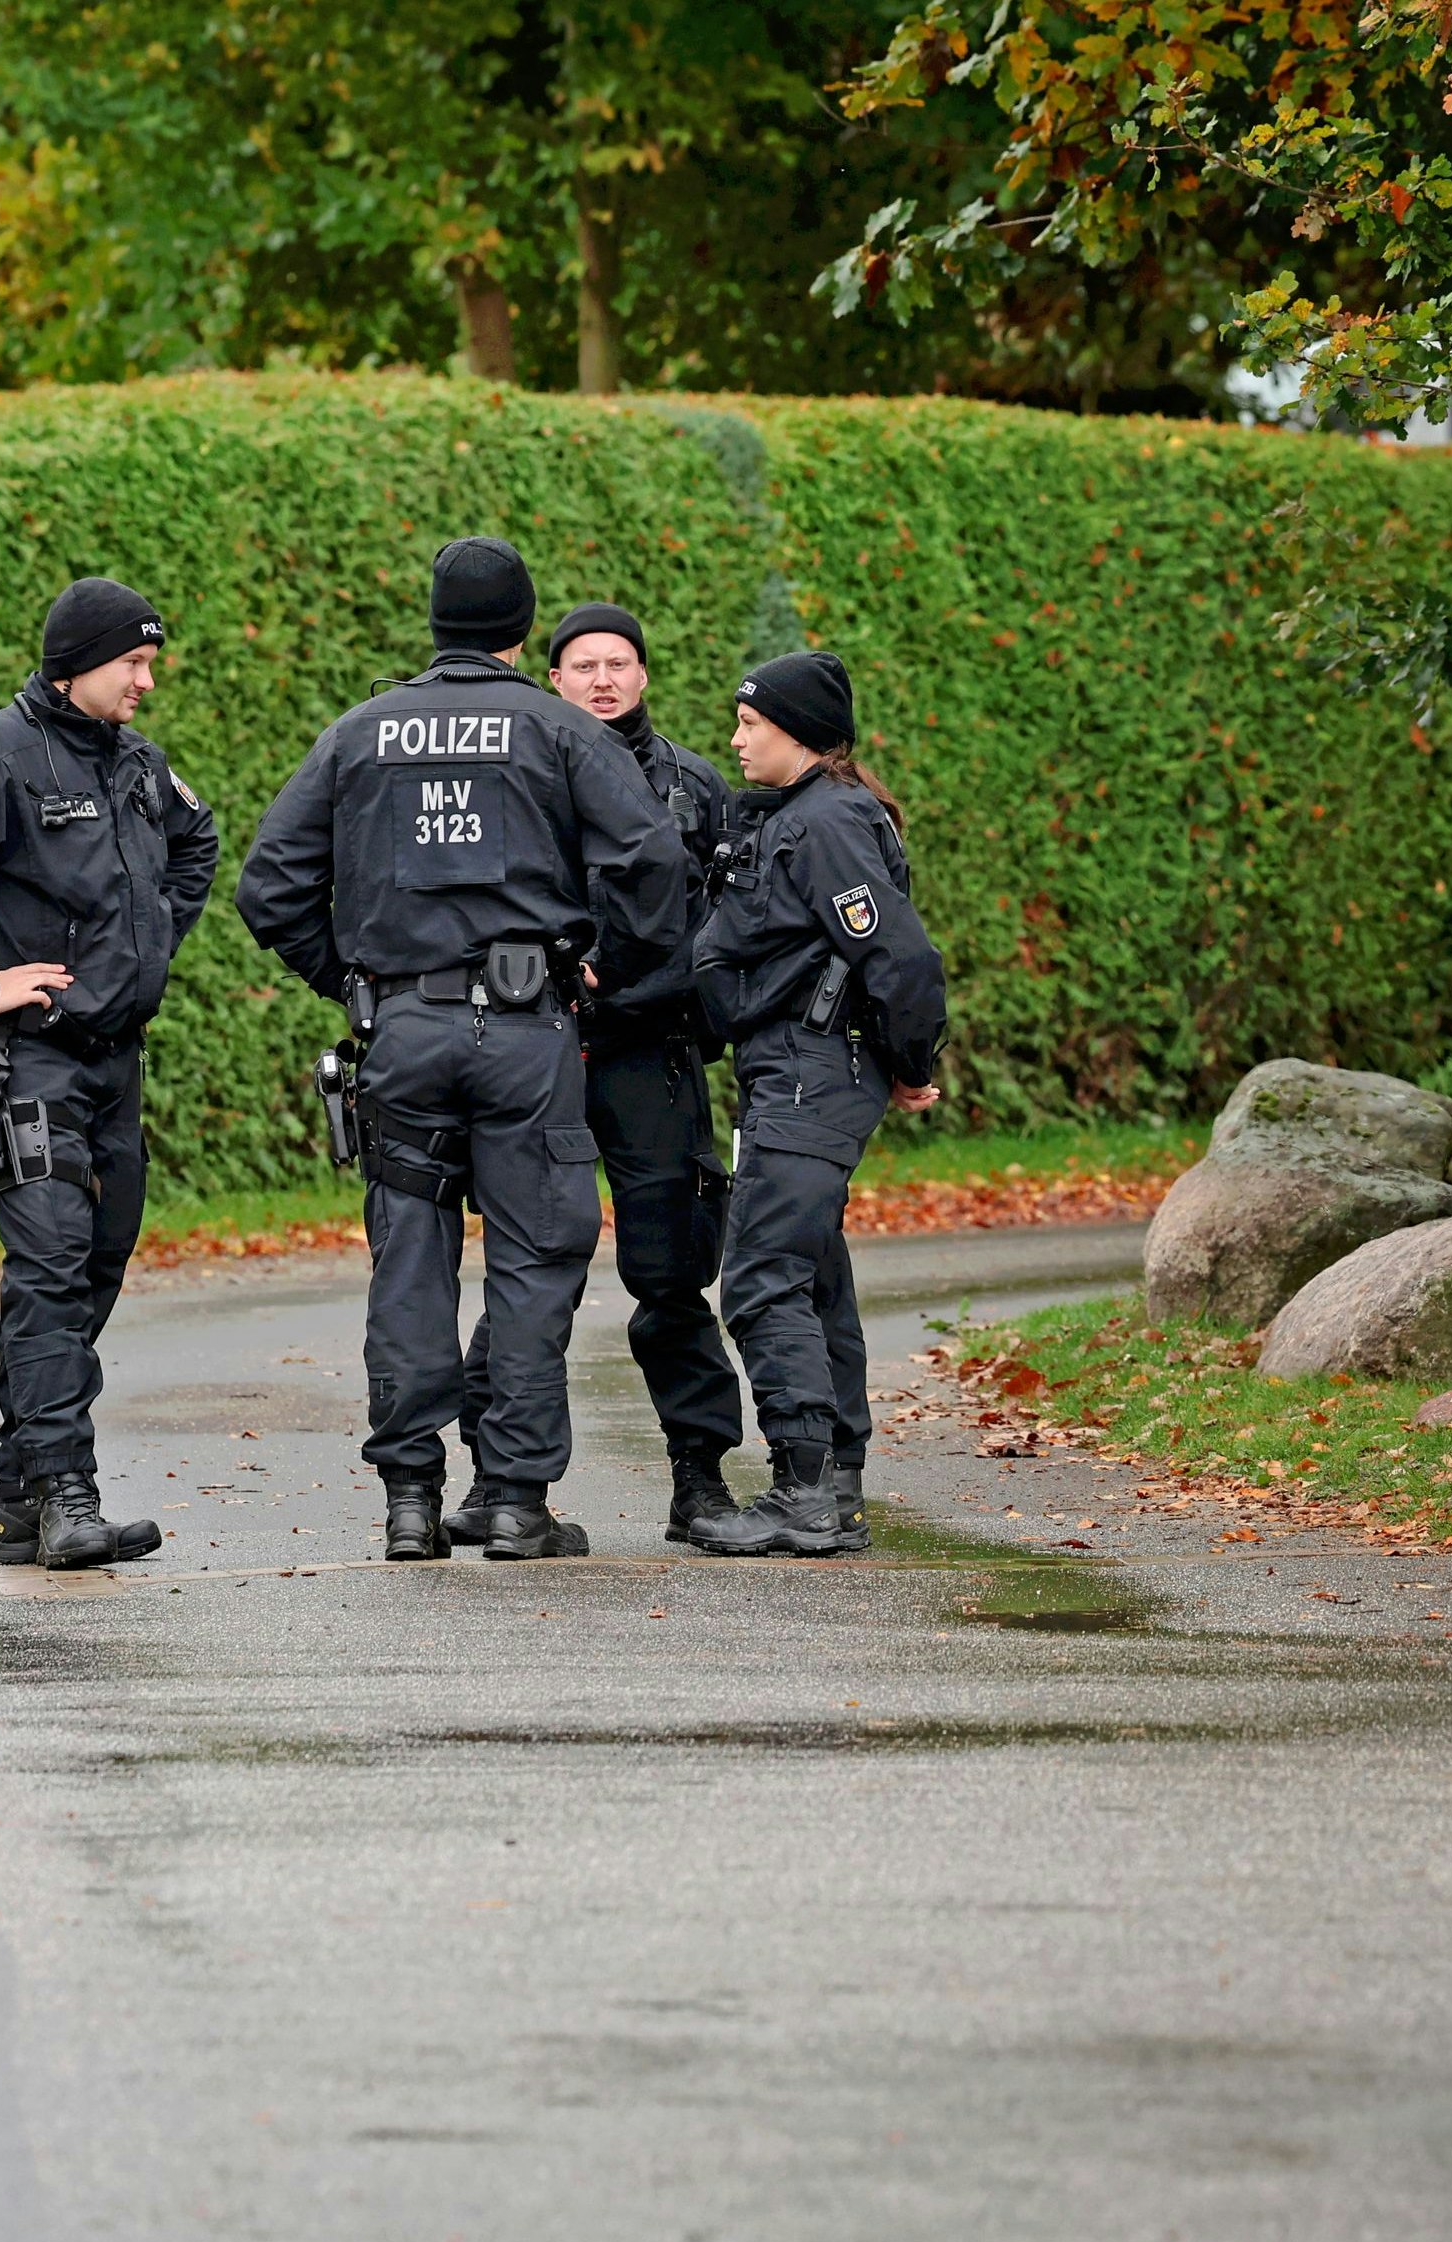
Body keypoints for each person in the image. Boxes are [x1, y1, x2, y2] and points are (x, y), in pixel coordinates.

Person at [233, 539, 687, 1562]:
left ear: (434, 624)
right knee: (533, 1258)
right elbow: (653, 857)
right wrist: (603, 960)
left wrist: (356, 985)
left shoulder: (361, 732)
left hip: (402, 1032)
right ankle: (517, 1500)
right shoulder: (558, 729)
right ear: (524, 633)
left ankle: (407, 1499)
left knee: (410, 1260)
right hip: (526, 1034)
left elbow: (269, 887)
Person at [0, 577, 218, 1570]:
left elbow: (195, 846)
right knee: (51, 1269)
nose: (147, 681)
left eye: (150, 662)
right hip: (25, 1062)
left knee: (94, 1265)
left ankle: (17, 1505)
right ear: (77, 665)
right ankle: (68, 1500)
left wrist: (144, 950)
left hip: (114, 1067)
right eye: (135, 663)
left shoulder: (139, 766)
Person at [440, 602, 747, 1549]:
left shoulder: (695, 786)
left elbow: (729, 926)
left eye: (620, 663)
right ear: (553, 677)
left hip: (651, 1050)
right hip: (541, 1050)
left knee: (671, 1275)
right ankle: (500, 1478)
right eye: (583, 665)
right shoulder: (516, 768)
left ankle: (700, 1481)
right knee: (532, 1272)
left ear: (644, 676)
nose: (603, 679)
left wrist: (652, 985)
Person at [689, 650, 948, 1559]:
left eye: (748, 723)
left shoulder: (827, 822)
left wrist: (910, 1060)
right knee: (813, 1275)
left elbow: (903, 961)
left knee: (761, 1277)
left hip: (811, 1070)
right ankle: (834, 1484)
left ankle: (801, 1491)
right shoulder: (805, 816)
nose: (735, 739)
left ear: (794, 731)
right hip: (797, 1069)